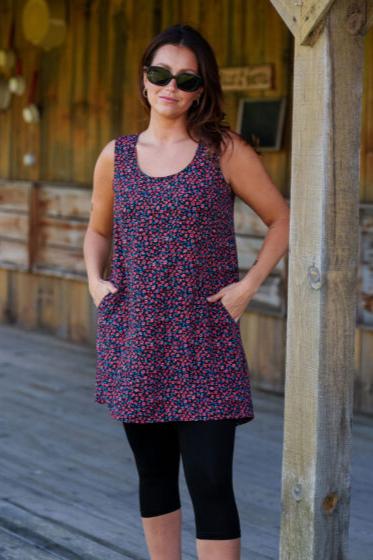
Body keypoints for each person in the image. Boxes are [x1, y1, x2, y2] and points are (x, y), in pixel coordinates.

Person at [84, 23, 290, 560]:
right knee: (153, 473)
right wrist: (94, 279)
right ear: (144, 79)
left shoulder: (223, 150)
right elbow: (98, 228)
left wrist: (247, 287)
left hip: (205, 339)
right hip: (136, 334)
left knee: (209, 479)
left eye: (186, 78)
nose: (170, 86)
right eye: (160, 73)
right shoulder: (117, 155)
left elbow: (283, 219)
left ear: (203, 88)